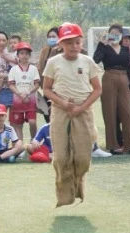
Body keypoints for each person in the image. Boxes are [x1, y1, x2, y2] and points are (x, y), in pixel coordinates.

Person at [43, 23, 102, 207]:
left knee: (83, 158)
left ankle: (78, 184)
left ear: (81, 42)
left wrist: (81, 107)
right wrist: (63, 103)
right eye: (68, 43)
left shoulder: (87, 62)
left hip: (83, 112)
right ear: (61, 44)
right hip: (60, 111)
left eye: (77, 42)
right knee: (60, 157)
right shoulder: (53, 62)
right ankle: (65, 195)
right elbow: (46, 89)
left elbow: (97, 89)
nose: (73, 46)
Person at [93, 23, 130, 154]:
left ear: (121, 35)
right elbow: (95, 60)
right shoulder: (105, 48)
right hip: (109, 77)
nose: (115, 36)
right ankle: (112, 144)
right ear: (108, 34)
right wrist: (101, 43)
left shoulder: (125, 50)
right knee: (109, 112)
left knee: (127, 113)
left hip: (124, 79)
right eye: (112, 34)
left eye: (117, 34)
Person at [7, 42, 40, 142]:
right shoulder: (14, 69)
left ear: (29, 55)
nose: (24, 56)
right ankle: (19, 146)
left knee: (32, 122)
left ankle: (33, 141)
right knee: (18, 125)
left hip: (31, 101)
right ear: (17, 55)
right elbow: (11, 84)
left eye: (26, 53)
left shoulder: (33, 69)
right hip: (17, 101)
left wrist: (28, 93)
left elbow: (37, 84)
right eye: (21, 53)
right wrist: (19, 94)